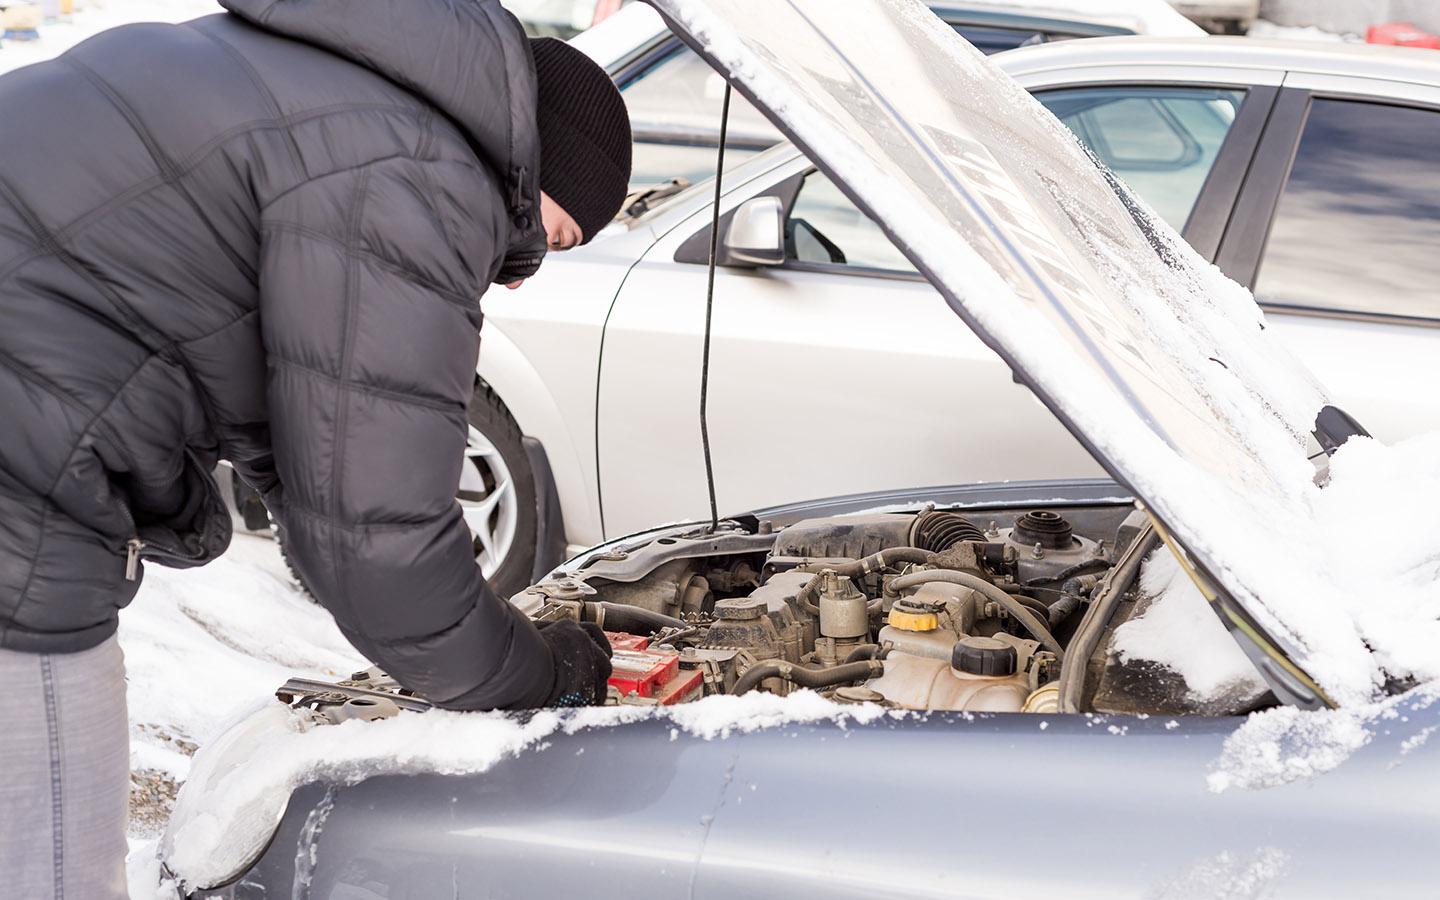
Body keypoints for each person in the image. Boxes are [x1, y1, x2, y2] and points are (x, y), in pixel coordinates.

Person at [0, 1, 631, 896]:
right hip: (18, 478)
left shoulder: (330, 84)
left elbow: (314, 450)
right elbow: (379, 541)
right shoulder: (415, 169)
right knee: (47, 858)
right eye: (551, 237)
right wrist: (534, 672)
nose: (523, 267)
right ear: (539, 166)